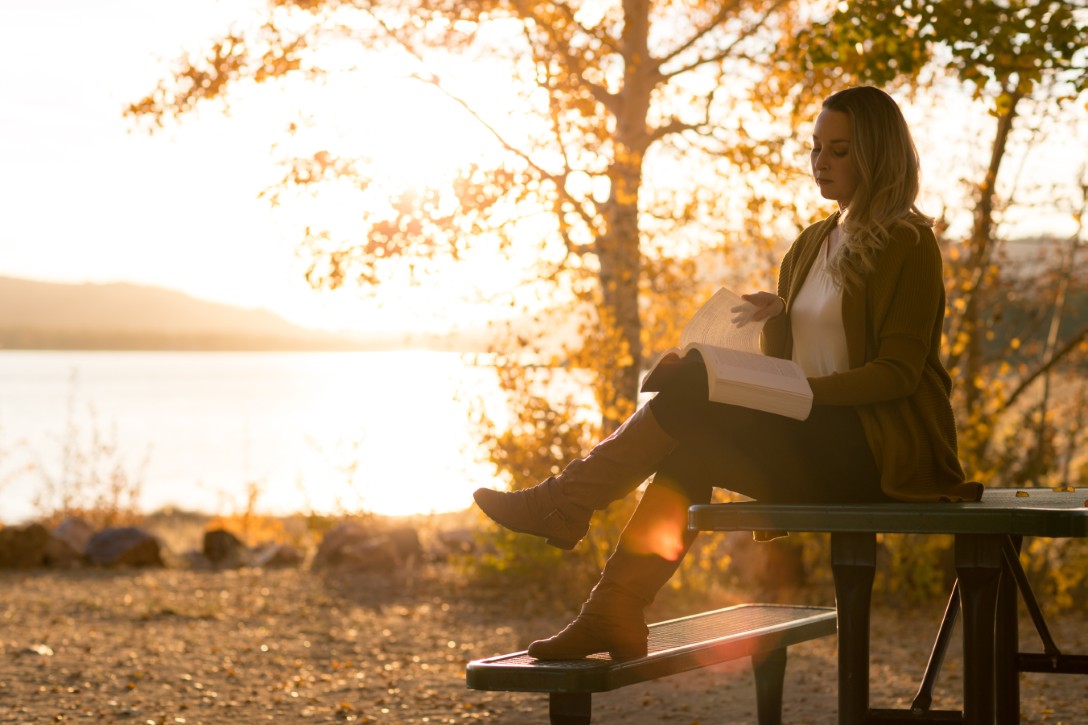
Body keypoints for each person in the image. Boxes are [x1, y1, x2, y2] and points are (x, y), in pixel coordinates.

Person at [473, 86, 983, 662]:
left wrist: (796, 391)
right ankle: (611, 611)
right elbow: (791, 369)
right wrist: (780, 320)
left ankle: (564, 501)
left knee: (694, 392)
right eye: (815, 148)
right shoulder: (812, 243)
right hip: (812, 444)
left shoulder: (909, 243)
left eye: (839, 150)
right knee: (689, 436)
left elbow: (896, 374)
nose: (821, 162)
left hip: (874, 454)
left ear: (878, 155)